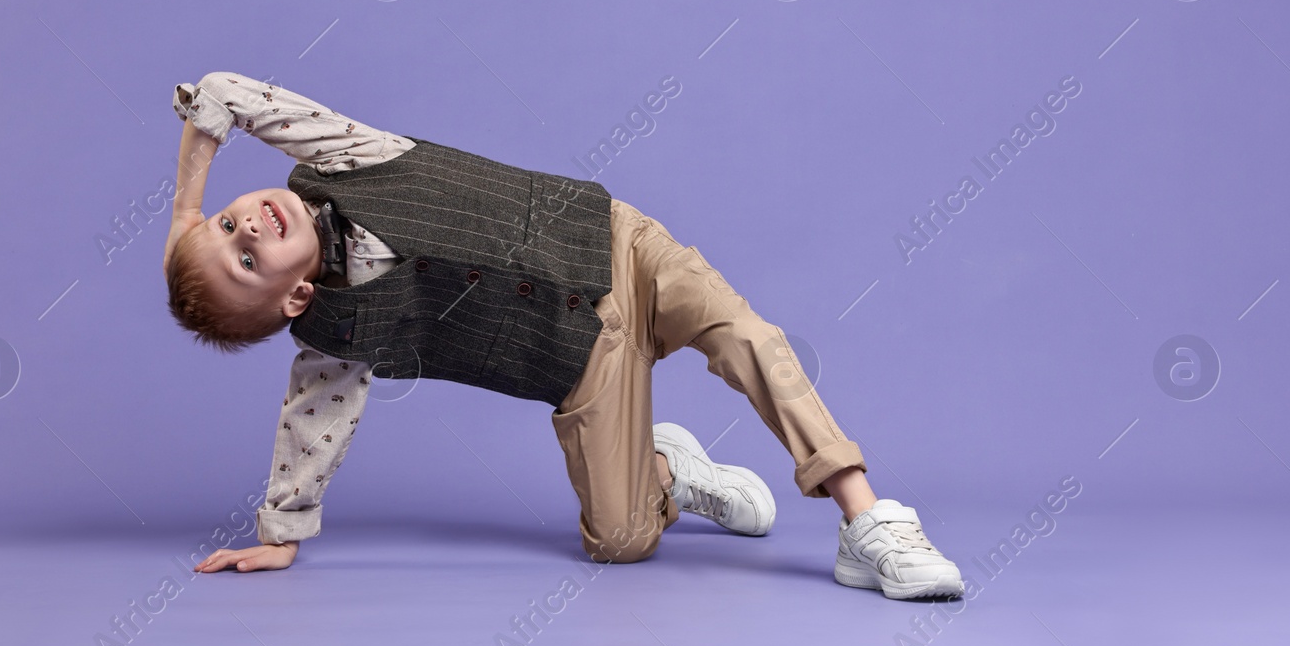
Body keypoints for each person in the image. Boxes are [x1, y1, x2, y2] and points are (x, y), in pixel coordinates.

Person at [164, 72, 961, 599]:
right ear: (293, 294)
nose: (249, 224)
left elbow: (232, 93)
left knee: (746, 334)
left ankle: (867, 519)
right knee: (618, 541)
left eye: (232, 217)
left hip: (618, 249)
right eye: (242, 257)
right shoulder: (336, 336)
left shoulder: (341, 158)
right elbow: (309, 431)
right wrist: (282, 534)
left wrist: (186, 213)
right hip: (580, 365)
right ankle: (664, 471)